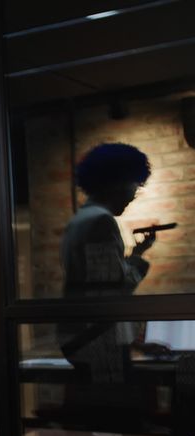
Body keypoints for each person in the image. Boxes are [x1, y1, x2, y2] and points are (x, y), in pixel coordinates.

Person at [59, 143, 155, 383]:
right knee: (116, 414)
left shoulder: (81, 220)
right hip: (99, 342)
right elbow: (113, 291)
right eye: (135, 184)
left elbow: (98, 281)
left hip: (86, 339)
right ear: (117, 182)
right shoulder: (101, 221)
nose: (135, 193)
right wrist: (139, 260)